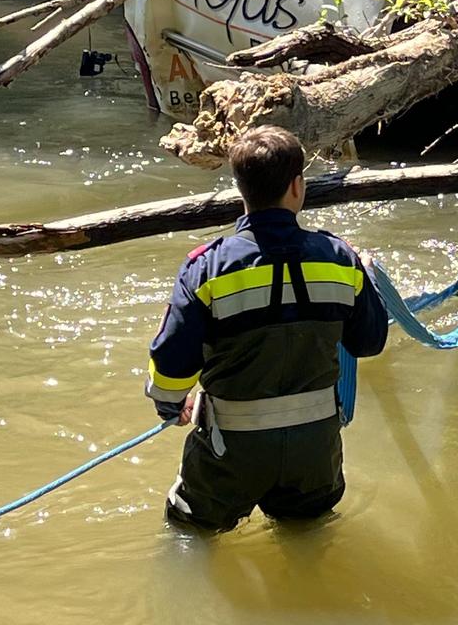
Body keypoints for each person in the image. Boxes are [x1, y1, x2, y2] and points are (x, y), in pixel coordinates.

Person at [146, 125, 388, 530]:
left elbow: (171, 369)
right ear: (298, 186)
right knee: (307, 537)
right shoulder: (340, 260)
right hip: (315, 451)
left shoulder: (205, 269)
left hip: (231, 452)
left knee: (190, 534)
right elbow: (369, 342)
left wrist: (171, 407)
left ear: (241, 189)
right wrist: (366, 277)